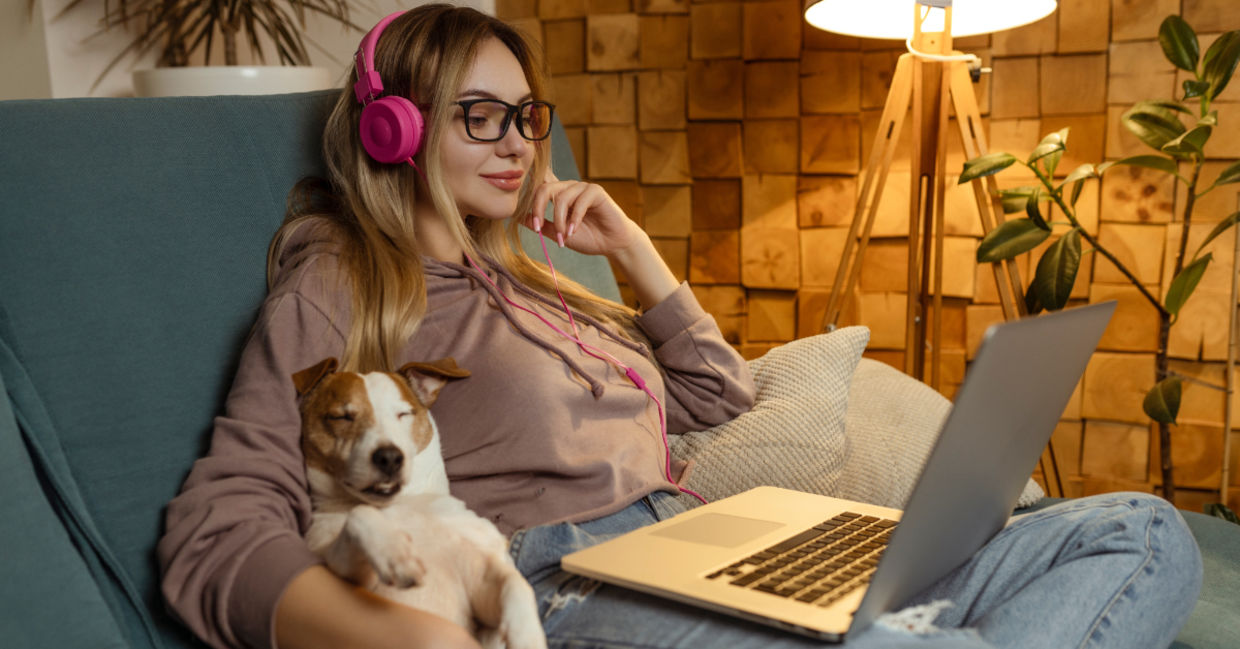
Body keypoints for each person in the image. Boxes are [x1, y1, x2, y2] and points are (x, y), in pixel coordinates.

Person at [157, 5, 1203, 649]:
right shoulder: (345, 278)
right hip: (563, 582)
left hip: (707, 539)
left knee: (1140, 530)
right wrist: (398, 637)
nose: (518, 141)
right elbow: (224, 518)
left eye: (526, 116)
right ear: (395, 126)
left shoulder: (538, 280)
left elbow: (714, 399)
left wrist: (627, 249)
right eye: (481, 114)